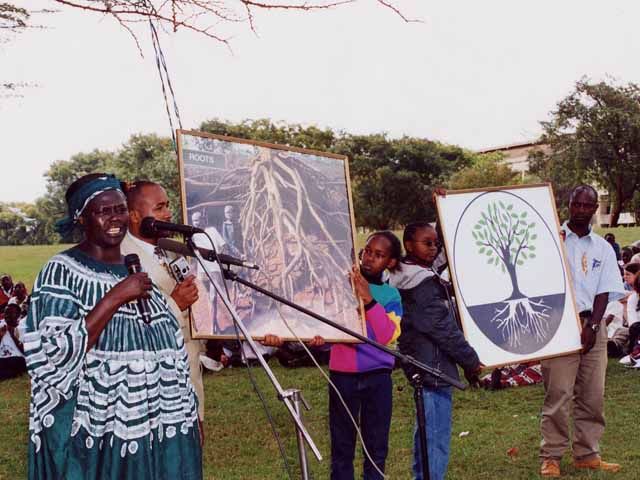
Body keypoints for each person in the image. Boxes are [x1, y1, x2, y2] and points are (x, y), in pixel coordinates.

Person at [23, 173, 202, 479]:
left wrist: (186, 407)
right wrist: (115, 298)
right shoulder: (61, 271)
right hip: (95, 433)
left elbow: (166, 340)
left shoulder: (137, 269)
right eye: (103, 211)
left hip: (153, 426)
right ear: (81, 218)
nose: (115, 218)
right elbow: (52, 355)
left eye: (119, 209)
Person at [539, 185, 625, 477]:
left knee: (592, 395)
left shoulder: (601, 247)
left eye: (588, 206)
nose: (581, 210)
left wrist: (593, 325)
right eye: (577, 204)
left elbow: (604, 290)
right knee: (558, 394)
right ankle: (551, 455)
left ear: (594, 209)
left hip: (593, 325)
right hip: (558, 325)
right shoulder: (551, 240)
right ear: (569, 204)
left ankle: (587, 453)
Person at [389, 221, 482, 480]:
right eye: (426, 243)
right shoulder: (422, 284)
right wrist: (471, 362)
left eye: (435, 243)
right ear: (408, 245)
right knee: (435, 437)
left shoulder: (409, 273)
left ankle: (423, 476)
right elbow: (443, 329)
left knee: (427, 430)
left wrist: (442, 211)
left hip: (421, 363)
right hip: (433, 366)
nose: (433, 248)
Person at [119, 180, 208, 425]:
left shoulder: (170, 249)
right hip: (154, 390)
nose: (168, 214)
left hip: (189, 378)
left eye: (167, 206)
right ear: (135, 215)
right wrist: (175, 304)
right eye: (159, 208)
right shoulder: (121, 258)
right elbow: (128, 321)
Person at [329, 231, 402, 480]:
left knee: (376, 448)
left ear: (390, 263)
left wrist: (369, 300)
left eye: (379, 255)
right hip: (343, 376)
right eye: (367, 251)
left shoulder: (391, 296)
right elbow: (327, 325)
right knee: (342, 447)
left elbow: (386, 335)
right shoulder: (341, 286)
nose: (369, 258)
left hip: (378, 377)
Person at [0, 302, 26, 380]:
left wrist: (13, 336)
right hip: (2, 358)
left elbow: (27, 352)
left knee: (14, 363)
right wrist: (0, 336)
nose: (7, 315)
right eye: (6, 312)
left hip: (17, 358)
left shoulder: (23, 327)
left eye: (11, 313)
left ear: (18, 315)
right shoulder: (1, 326)